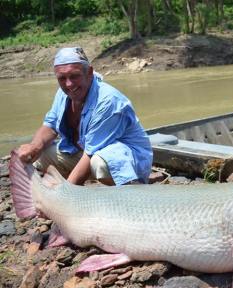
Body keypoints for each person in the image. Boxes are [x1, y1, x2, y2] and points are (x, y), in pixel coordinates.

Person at [17, 47, 152, 186]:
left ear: (89, 73)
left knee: (100, 163)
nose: (68, 84)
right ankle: (73, 187)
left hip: (126, 161)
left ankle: (128, 189)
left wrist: (66, 194)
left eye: (74, 76)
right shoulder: (63, 93)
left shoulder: (108, 101)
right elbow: (50, 126)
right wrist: (34, 146)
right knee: (42, 153)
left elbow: (91, 152)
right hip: (85, 152)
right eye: (62, 78)